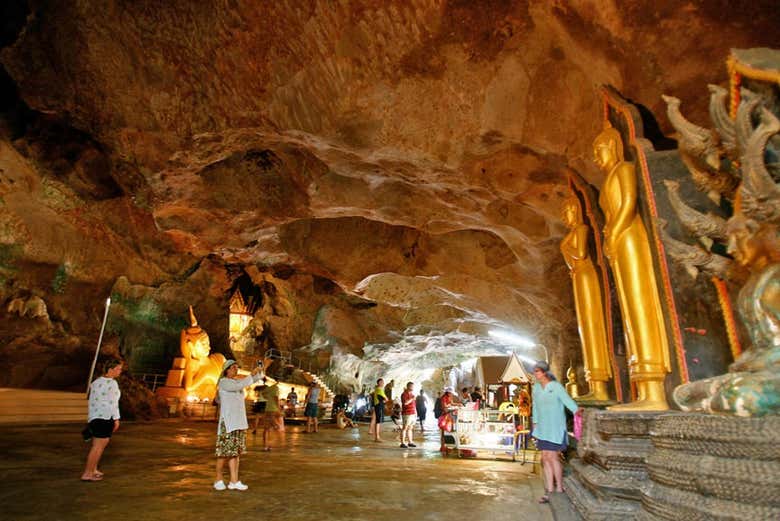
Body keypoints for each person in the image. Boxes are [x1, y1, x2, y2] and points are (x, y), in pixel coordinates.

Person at [531, 361, 580, 504]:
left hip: (555, 427)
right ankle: (549, 489)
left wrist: (577, 411)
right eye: (535, 371)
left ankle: (559, 487)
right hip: (542, 428)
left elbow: (567, 401)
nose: (535, 374)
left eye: (537, 371)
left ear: (544, 372)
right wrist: (535, 422)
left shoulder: (556, 387)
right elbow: (535, 405)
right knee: (545, 457)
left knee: (552, 457)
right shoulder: (536, 388)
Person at [214, 359, 264, 491]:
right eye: (233, 367)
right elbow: (241, 384)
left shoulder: (236, 382)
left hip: (239, 422)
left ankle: (234, 481)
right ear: (226, 370)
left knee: (235, 453)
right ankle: (218, 478)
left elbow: (255, 379)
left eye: (237, 367)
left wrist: (260, 370)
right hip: (228, 422)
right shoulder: (224, 382)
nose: (236, 369)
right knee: (224, 453)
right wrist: (251, 374)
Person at [81, 359, 123, 481]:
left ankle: (93, 469)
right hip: (105, 417)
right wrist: (116, 418)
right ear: (110, 369)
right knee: (98, 447)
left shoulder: (96, 382)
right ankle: (88, 473)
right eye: (118, 369)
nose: (120, 371)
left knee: (96, 446)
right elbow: (113, 403)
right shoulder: (112, 383)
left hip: (95, 417)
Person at [261, 379, 282, 451]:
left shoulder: (269, 388)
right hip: (273, 410)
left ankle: (265, 446)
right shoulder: (276, 388)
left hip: (267, 409)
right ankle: (270, 444)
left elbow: (263, 393)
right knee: (276, 427)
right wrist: (279, 409)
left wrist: (267, 398)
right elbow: (276, 398)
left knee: (266, 428)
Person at [438, 387, 456, 453]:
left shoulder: (449, 397)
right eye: (451, 393)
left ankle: (446, 446)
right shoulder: (443, 398)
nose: (452, 394)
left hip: (448, 417)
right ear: (448, 393)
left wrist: (458, 404)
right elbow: (444, 408)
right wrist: (452, 408)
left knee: (448, 432)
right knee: (443, 433)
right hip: (443, 417)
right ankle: (443, 447)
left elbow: (452, 403)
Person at [400, 382, 417, 448]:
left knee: (410, 428)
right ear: (408, 386)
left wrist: (415, 413)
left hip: (412, 413)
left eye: (413, 386)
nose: (412, 388)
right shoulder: (404, 394)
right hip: (407, 413)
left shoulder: (412, 394)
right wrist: (412, 399)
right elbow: (405, 403)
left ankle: (410, 442)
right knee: (405, 427)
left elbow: (414, 405)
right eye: (411, 386)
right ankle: (402, 443)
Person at [373, 378, 388, 442]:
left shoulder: (377, 389)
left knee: (377, 421)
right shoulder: (379, 389)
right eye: (382, 382)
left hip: (378, 405)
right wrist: (385, 400)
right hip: (379, 406)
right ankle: (377, 437)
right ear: (379, 383)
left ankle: (377, 437)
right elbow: (386, 399)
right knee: (378, 421)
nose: (383, 383)